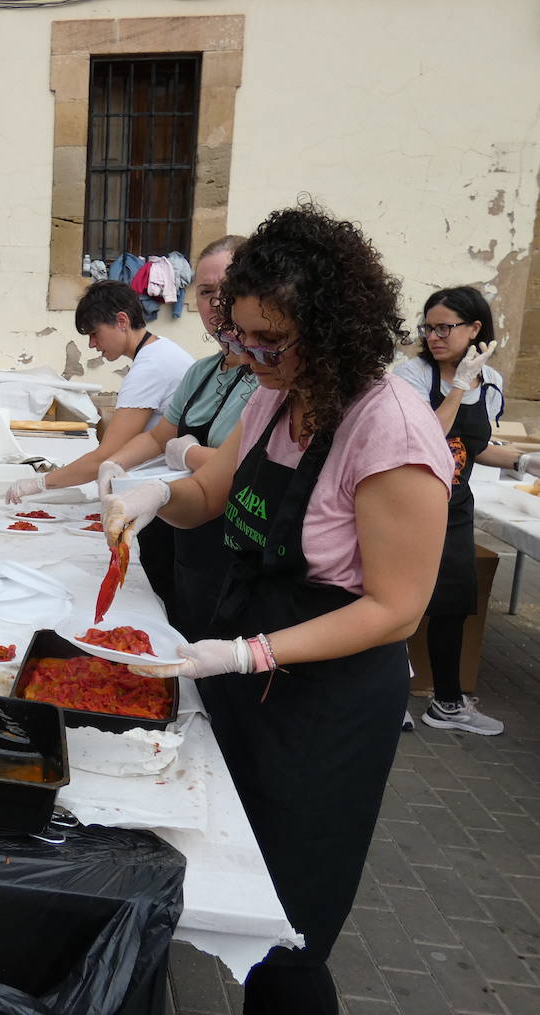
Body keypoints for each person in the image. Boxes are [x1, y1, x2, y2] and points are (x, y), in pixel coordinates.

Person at [103, 203, 453, 1014]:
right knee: (221, 858)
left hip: (325, 703)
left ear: (332, 329)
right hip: (246, 665)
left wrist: (249, 653)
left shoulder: (389, 428)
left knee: (288, 917)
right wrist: (155, 495)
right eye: (240, 339)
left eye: (272, 341)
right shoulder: (272, 397)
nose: (251, 356)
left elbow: (398, 608)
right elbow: (207, 494)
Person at [94, 236, 254, 639]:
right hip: (188, 537)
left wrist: (192, 455)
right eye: (205, 292)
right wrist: (115, 464)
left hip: (235, 550)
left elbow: (246, 466)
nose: (216, 303)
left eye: (227, 288)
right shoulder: (201, 372)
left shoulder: (268, 379)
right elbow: (158, 437)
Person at [395, 286, 537, 735]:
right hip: (405, 506)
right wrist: (457, 387)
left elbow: (474, 448)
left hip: (453, 508)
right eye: (428, 327)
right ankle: (390, 697)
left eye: (445, 327)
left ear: (475, 328)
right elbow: (425, 438)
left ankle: (448, 703)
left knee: (454, 603)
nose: (434, 337)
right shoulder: (412, 376)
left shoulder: (490, 380)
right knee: (398, 601)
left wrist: (521, 460)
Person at [5, 279, 193, 607]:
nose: (92, 345)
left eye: (94, 333)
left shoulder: (151, 366)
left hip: (168, 498)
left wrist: (39, 482)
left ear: (121, 321)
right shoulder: (160, 353)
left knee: (157, 595)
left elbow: (107, 456)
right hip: (168, 488)